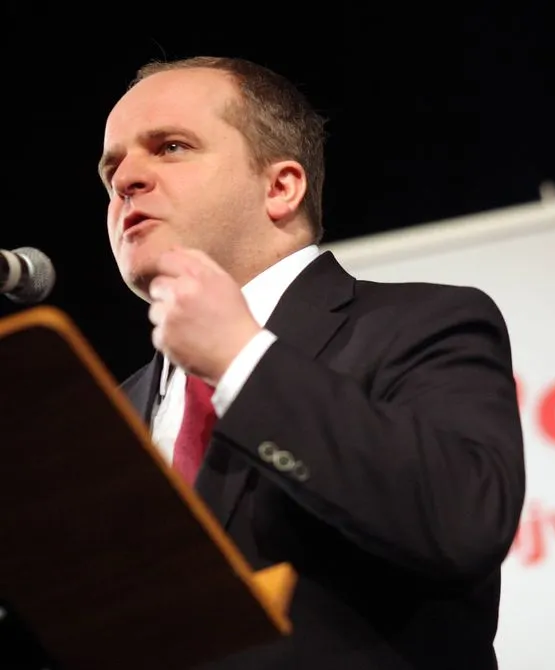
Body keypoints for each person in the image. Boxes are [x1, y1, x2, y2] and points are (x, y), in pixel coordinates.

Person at [100, 56, 526, 669]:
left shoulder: (424, 325)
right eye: (111, 168)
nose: (126, 179)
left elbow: (462, 520)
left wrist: (240, 359)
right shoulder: (107, 413)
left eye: (170, 147)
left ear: (281, 187)